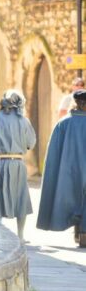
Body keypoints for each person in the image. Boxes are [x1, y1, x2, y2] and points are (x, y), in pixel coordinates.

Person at [0, 90, 36, 242]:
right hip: (16, 164)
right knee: (21, 199)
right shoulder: (24, 121)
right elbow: (31, 143)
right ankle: (20, 235)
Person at [37, 89, 86, 247]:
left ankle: (79, 231)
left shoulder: (63, 123)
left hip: (67, 172)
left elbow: (53, 156)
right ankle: (83, 232)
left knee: (70, 197)